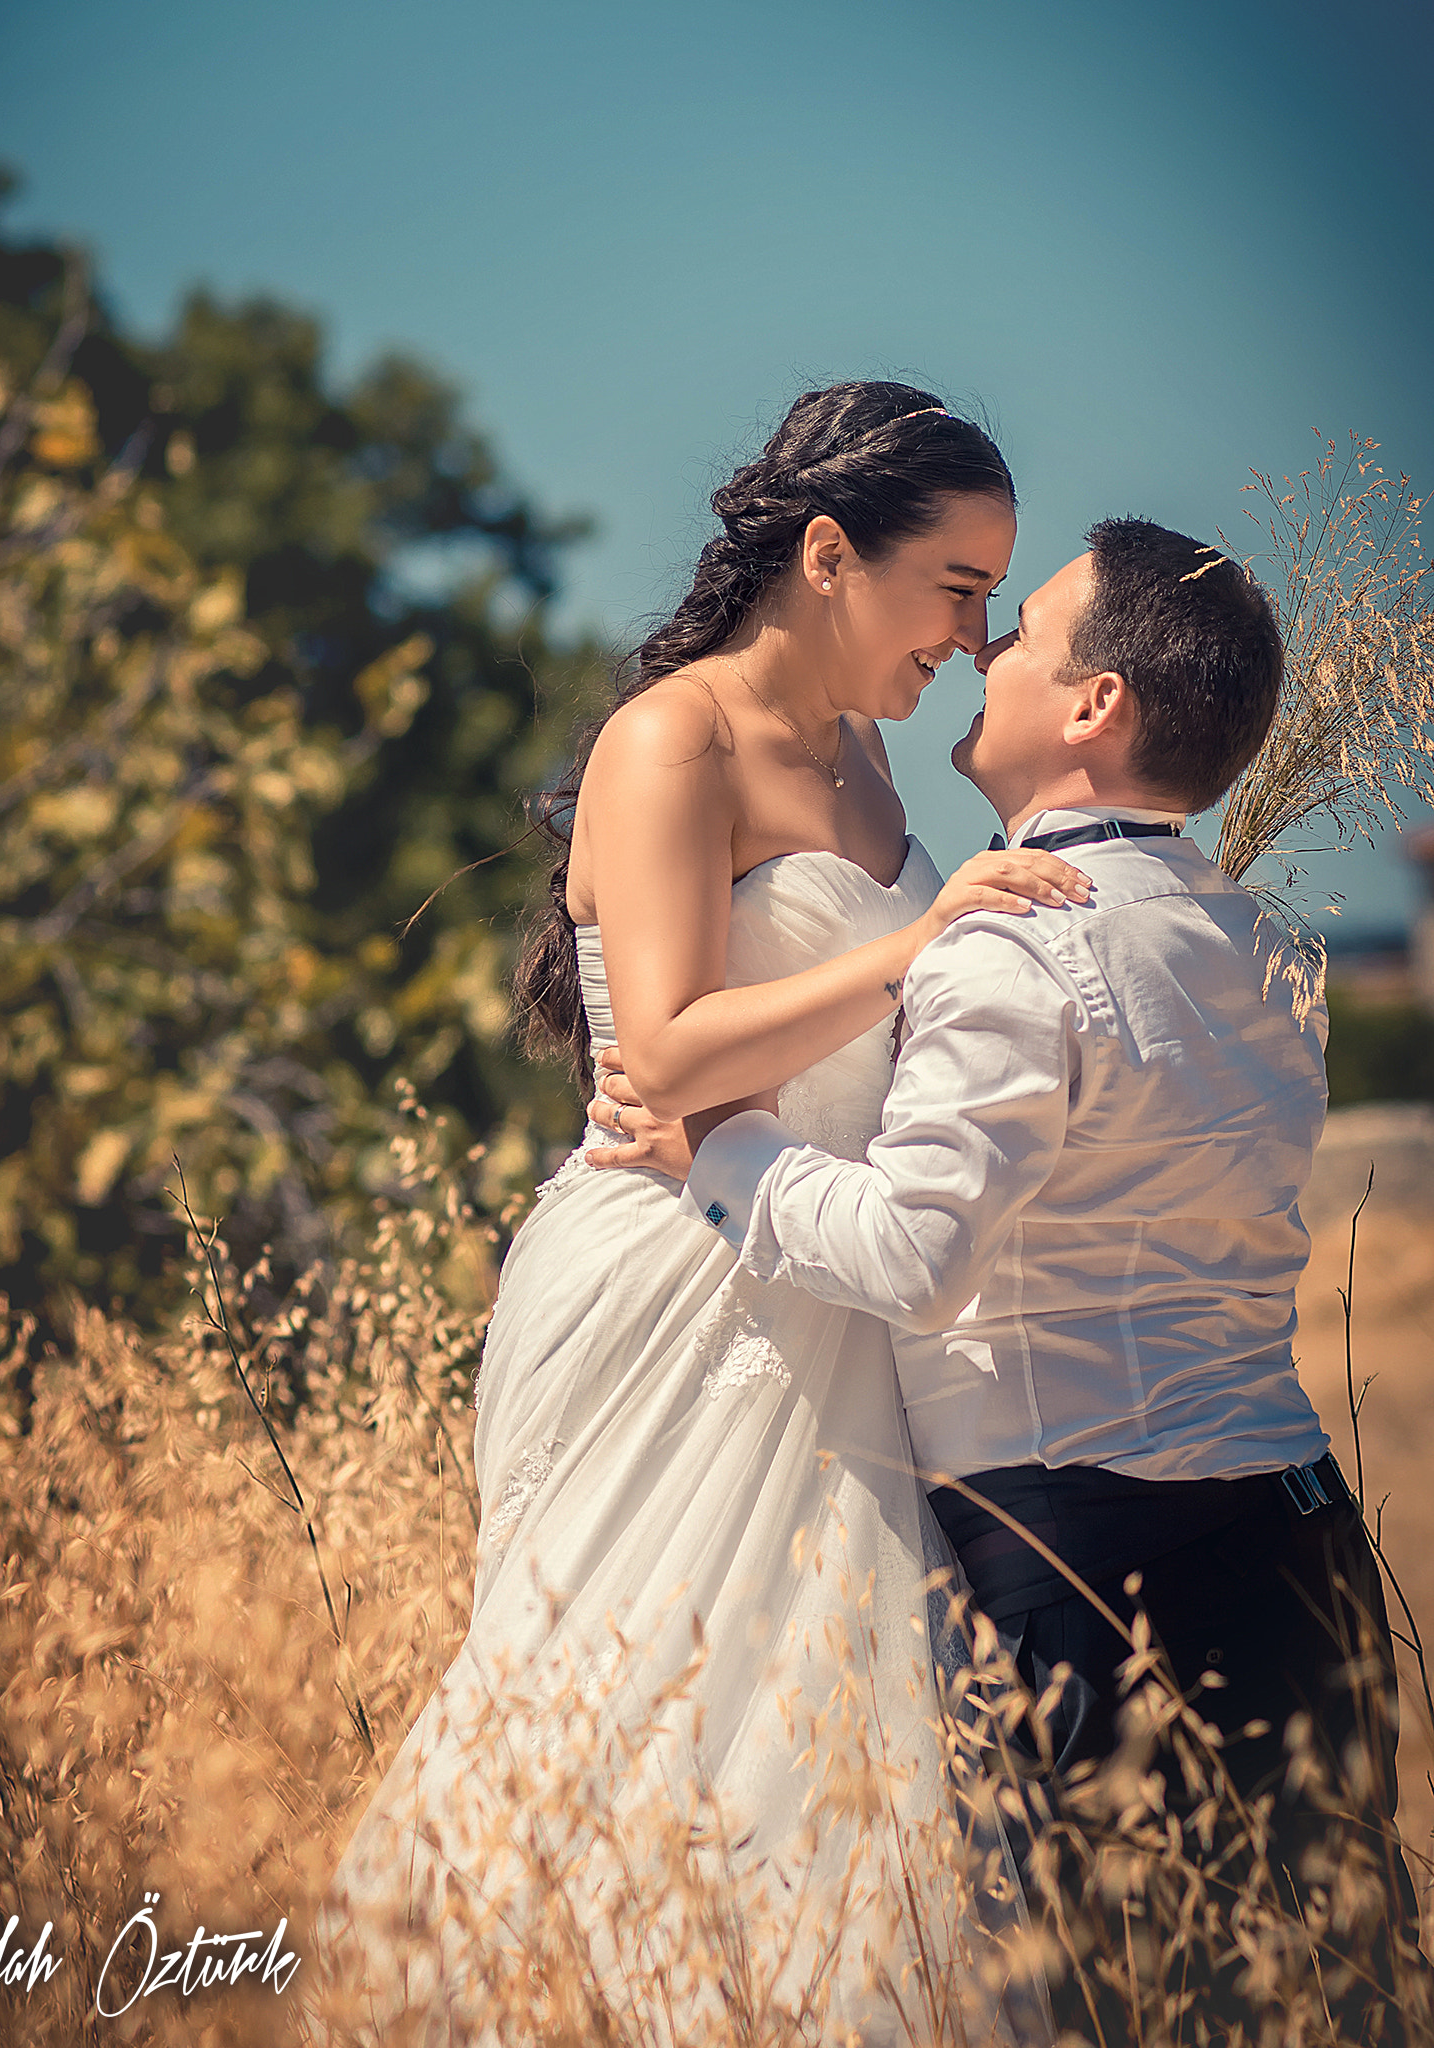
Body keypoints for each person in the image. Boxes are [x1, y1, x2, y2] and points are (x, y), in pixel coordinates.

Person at [322, 381, 1088, 2041]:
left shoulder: (875, 757)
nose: (971, 640)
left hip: (830, 1279)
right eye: (954, 588)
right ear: (829, 554)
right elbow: (657, 1054)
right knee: (623, 1688)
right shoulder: (668, 739)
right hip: (670, 1277)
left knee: (836, 1746)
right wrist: (929, 935)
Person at [597, 517, 1430, 2041]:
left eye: (1024, 628)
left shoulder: (1005, 940)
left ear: (1095, 707)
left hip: (1085, 1566)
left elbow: (916, 1255)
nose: (985, 648)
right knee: (1324, 2001)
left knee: (1104, 2009)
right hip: (1293, 1539)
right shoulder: (1264, 943)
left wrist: (707, 1151)